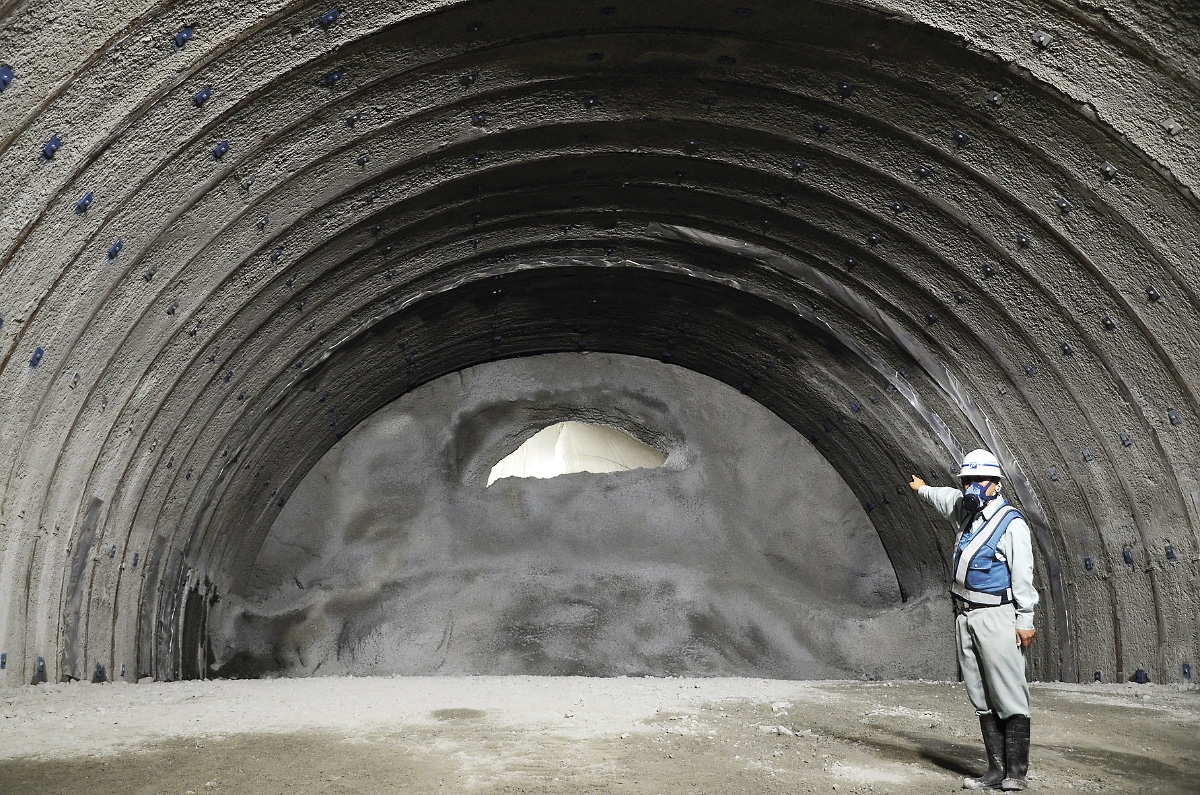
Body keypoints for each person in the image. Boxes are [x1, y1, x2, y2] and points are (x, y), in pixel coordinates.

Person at [909, 449, 1037, 791]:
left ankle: (1016, 775)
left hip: (997, 615)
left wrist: (1025, 619)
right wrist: (922, 489)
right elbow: (946, 497)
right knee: (980, 694)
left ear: (996, 483)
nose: (971, 488)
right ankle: (995, 771)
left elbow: (1023, 575)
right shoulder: (967, 513)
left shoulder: (1011, 524)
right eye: (967, 481)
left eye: (979, 481)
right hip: (966, 616)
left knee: (1008, 692)